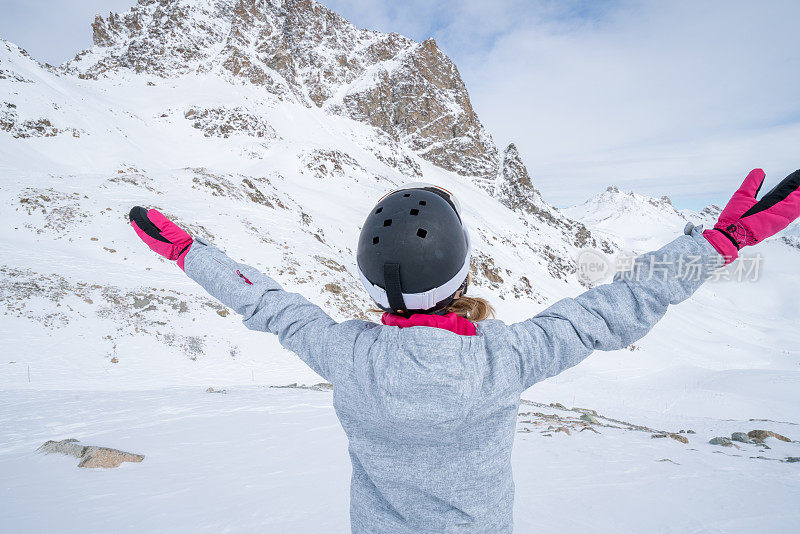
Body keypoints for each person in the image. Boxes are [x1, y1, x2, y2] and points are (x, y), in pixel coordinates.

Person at [130, 170, 799, 533]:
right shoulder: (504, 358)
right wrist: (715, 246)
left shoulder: (345, 355)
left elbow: (266, 303)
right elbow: (616, 308)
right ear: (463, 279)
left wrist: (192, 252)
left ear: (371, 284)